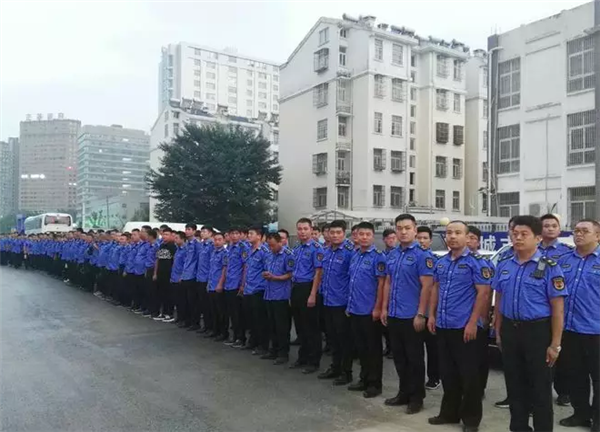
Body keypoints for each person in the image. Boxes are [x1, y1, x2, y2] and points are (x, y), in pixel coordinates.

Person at [492, 215, 567, 432]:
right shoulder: (505, 265)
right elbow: (499, 299)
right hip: (510, 330)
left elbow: (558, 309)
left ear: (537, 238)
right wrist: (498, 331)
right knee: (515, 385)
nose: (518, 238)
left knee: (540, 388)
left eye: (524, 234)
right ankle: (519, 427)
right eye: (515, 234)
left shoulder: (550, 267)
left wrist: (555, 344)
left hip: (537, 332)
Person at [428, 221, 492, 432]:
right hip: (443, 325)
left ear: (467, 236)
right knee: (448, 373)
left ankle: (471, 419)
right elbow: (436, 288)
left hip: (464, 327)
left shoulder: (476, 263)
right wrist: (431, 315)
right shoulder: (441, 262)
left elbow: (483, 294)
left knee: (469, 376)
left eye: (457, 232)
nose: (452, 236)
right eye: (449, 233)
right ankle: (449, 412)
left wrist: (473, 323)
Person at [382, 214, 434, 414]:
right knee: (399, 358)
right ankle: (403, 392)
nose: (403, 232)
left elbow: (427, 286)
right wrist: (384, 308)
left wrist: (421, 314)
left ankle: (417, 397)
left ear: (415, 230)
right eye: (399, 228)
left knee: (415, 359)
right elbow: (388, 282)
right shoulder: (393, 254)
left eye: (407, 228)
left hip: (412, 316)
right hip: (394, 313)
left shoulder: (422, 255)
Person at [558, 219, 600, 431]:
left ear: (597, 236)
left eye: (585, 231)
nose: (579, 234)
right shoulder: (564, 260)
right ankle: (581, 414)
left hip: (596, 331)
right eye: (576, 231)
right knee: (575, 375)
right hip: (569, 329)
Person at [346, 221, 386, 398]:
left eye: (367, 234)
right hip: (355, 309)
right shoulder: (355, 255)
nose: (363, 237)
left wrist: (378, 308)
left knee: (373, 349)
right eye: (360, 234)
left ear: (373, 236)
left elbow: (381, 284)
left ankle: (374, 384)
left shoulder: (378, 257)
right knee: (361, 348)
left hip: (370, 310)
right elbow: (352, 281)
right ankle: (364, 378)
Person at [539, 213, 574, 407]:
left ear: (559, 229)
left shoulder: (567, 252)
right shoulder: (532, 249)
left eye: (554, 225)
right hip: (538, 310)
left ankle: (564, 392)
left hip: (560, 308)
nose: (550, 229)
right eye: (546, 226)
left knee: (562, 354)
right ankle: (540, 394)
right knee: (542, 356)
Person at [317, 220, 355, 385]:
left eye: (338, 232)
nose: (335, 235)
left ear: (344, 233)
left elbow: (353, 279)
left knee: (344, 339)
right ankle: (335, 367)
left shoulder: (350, 252)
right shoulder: (327, 251)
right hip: (328, 300)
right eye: (332, 232)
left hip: (342, 303)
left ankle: (346, 372)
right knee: (332, 338)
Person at [290, 217, 323, 374]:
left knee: (311, 327)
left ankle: (313, 360)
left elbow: (318, 272)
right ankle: (302, 357)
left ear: (311, 230)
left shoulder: (317, 248)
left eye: (305, 229)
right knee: (300, 325)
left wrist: (312, 294)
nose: (302, 232)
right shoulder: (296, 248)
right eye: (300, 229)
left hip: (308, 287)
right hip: (296, 287)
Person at [467, 225, 493, 398]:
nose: (469, 241)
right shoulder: (450, 261)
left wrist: (484, 316)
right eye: (467, 237)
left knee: (479, 356)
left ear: (478, 242)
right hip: (459, 318)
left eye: (473, 238)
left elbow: (487, 292)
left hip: (478, 317)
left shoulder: (485, 264)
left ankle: (479, 388)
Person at [262, 232, 295, 364]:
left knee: (282, 327)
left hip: (282, 295)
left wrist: (275, 277)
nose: (271, 248)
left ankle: (283, 353)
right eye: (269, 245)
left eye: (273, 245)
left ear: (280, 242)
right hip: (269, 294)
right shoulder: (269, 255)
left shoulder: (288, 255)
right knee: (272, 325)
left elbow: (291, 274)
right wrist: (266, 274)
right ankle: (273, 350)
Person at [416, 225, 440, 390]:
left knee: (432, 347)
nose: (422, 241)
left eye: (425, 238)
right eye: (419, 238)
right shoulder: (412, 258)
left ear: (431, 241)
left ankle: (434, 377)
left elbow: (434, 288)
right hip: (414, 309)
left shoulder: (435, 261)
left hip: (429, 310)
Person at [241, 226, 270, 355]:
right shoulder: (248, 250)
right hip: (248, 288)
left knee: (260, 319)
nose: (249, 236)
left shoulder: (264, 251)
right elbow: (246, 268)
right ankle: (252, 341)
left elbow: (267, 270)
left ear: (259, 236)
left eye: (251, 233)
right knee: (250, 318)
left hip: (259, 289)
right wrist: (243, 285)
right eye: (248, 233)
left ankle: (262, 345)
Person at [223, 228, 247, 347]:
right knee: (232, 312)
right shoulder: (229, 248)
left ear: (240, 235)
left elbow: (245, 266)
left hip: (237, 283)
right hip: (228, 283)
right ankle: (235, 336)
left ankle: (240, 338)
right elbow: (227, 266)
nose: (234, 236)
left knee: (238, 313)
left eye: (237, 233)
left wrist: (242, 284)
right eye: (232, 233)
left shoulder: (243, 248)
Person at [154, 228, 176, 322]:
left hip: (169, 274)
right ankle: (162, 313)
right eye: (163, 234)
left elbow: (175, 261)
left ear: (171, 235)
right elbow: (157, 260)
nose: (164, 236)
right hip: (160, 274)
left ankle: (169, 314)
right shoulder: (161, 245)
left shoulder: (173, 247)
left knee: (169, 294)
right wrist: (155, 273)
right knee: (161, 294)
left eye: (167, 234)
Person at [195, 225, 215, 333]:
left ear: (210, 233)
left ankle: (210, 327)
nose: (202, 233)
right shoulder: (201, 245)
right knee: (203, 304)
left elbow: (212, 263)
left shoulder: (212, 245)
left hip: (207, 278)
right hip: (200, 277)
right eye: (201, 232)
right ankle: (206, 326)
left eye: (205, 231)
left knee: (208, 305)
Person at [180, 223, 200, 330]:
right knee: (185, 300)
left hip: (192, 275)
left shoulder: (197, 244)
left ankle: (195, 323)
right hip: (185, 274)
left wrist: (195, 274)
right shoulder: (187, 244)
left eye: (189, 229)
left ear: (194, 231)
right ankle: (187, 321)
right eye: (186, 229)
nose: (187, 231)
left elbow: (198, 260)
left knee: (193, 301)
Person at [169, 232, 187, 324]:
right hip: (174, 276)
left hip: (180, 277)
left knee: (182, 300)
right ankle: (179, 318)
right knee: (176, 299)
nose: (175, 240)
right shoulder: (177, 249)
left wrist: (182, 276)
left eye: (177, 238)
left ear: (182, 239)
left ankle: (183, 318)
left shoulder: (185, 250)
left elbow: (185, 265)